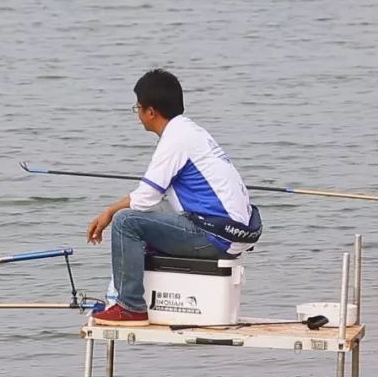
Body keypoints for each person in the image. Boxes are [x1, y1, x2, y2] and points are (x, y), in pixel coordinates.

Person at [85, 69, 262, 326]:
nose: (136, 113)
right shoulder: (193, 132)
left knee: (126, 222)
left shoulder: (174, 140)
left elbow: (145, 198)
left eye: (137, 107)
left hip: (216, 237)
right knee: (148, 217)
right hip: (236, 233)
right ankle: (137, 290)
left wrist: (110, 211)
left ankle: (130, 307)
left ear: (150, 112)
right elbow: (156, 197)